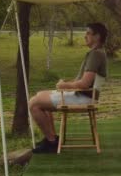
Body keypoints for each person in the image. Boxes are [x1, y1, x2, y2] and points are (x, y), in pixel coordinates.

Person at [28, 22, 108, 154]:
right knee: (40, 94)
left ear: (97, 36)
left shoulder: (96, 55)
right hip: (83, 95)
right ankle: (52, 138)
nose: (85, 36)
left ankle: (51, 142)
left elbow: (84, 84)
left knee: (34, 104)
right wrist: (67, 84)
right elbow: (82, 81)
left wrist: (64, 85)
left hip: (84, 98)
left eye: (88, 33)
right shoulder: (97, 53)